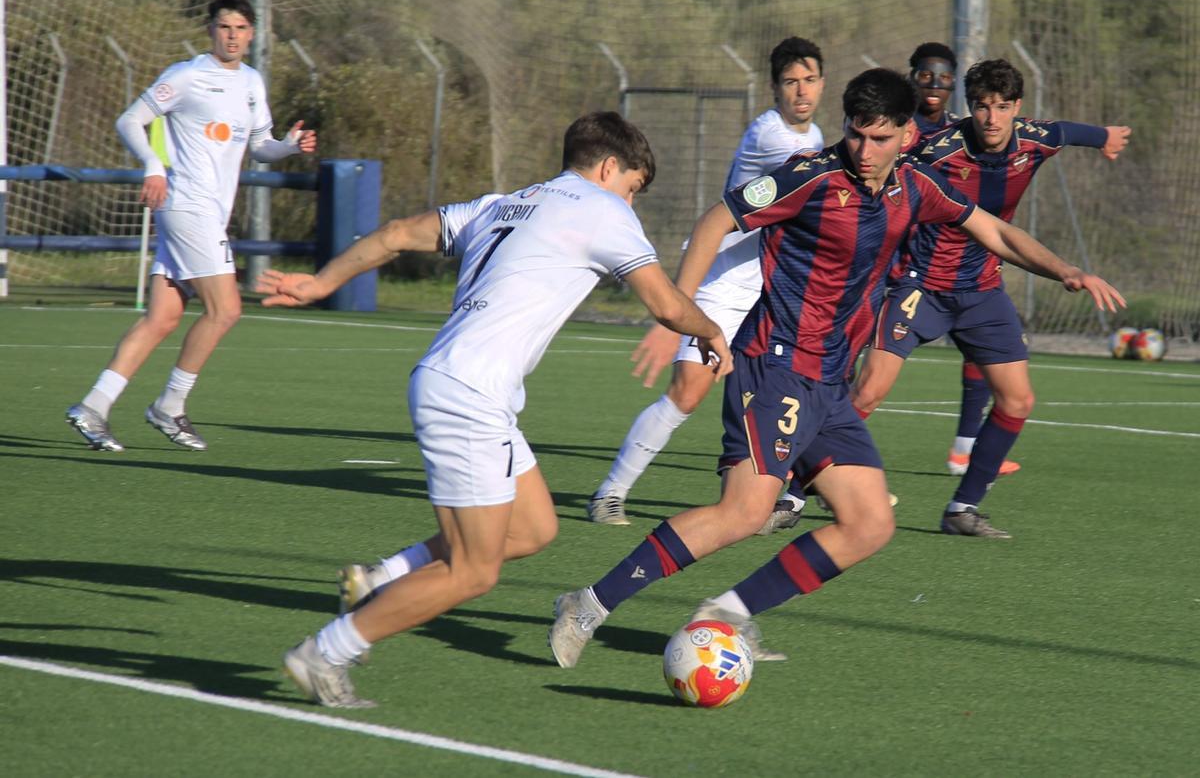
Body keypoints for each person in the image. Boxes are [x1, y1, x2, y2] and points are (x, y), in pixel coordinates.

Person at [548, 68, 1124, 669]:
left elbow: (994, 231)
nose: (865, 151)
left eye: (880, 139)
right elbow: (715, 222)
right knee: (744, 512)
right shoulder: (809, 177)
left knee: (869, 522)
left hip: (828, 381)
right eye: (856, 135)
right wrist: (678, 315)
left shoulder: (915, 187)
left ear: (906, 134)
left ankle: (726, 616)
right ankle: (587, 603)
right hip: (774, 364)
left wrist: (1065, 270)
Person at [258, 112, 732, 708]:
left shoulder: (503, 203)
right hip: (469, 394)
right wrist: (713, 331)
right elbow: (666, 304)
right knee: (473, 571)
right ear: (610, 168)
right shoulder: (602, 210)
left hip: (461, 384)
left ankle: (380, 579)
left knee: (534, 528)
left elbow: (400, 231)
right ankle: (326, 652)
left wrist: (323, 282)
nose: (631, 205)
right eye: (634, 188)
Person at [850, 58, 1132, 537]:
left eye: (1003, 107)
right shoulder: (937, 150)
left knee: (1018, 399)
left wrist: (1105, 136)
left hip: (981, 288)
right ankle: (794, 489)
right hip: (918, 284)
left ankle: (963, 508)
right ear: (970, 108)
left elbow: (1066, 130)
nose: (992, 119)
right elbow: (884, 172)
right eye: (982, 107)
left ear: (1017, 108)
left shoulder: (1034, 140)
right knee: (870, 390)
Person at [584, 37, 827, 534]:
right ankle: (610, 493)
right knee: (689, 392)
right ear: (775, 88)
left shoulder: (817, 133)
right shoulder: (773, 135)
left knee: (783, 390)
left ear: (822, 83)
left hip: (769, 291)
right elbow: (818, 180)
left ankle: (768, 499)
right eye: (790, 82)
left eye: (809, 80)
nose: (801, 91)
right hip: (721, 283)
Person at [64, 0, 316, 452]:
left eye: (240, 28)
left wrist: (290, 147)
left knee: (162, 318)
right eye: (224, 27)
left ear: (252, 33)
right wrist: (153, 165)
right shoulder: (186, 76)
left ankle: (93, 407)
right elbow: (130, 120)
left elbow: (260, 145)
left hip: (207, 212)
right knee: (227, 310)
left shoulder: (252, 83)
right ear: (211, 31)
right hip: (186, 205)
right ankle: (170, 406)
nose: (233, 36)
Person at [906, 42, 1020, 478]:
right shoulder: (895, 127)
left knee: (981, 353)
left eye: (944, 77)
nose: (934, 85)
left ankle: (963, 451)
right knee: (867, 372)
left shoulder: (961, 130)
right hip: (908, 265)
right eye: (925, 75)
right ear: (911, 76)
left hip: (963, 267)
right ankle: (807, 462)